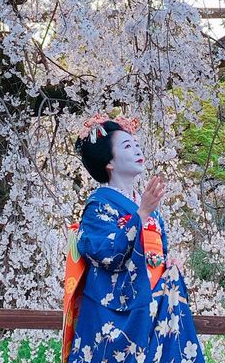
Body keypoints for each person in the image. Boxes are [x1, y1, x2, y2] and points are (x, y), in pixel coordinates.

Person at [63, 114, 205, 363]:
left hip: (155, 300)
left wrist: (167, 263)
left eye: (136, 144)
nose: (137, 149)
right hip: (118, 307)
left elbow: (156, 249)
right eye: (127, 146)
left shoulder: (145, 204)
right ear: (109, 162)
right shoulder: (99, 204)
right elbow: (105, 253)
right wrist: (140, 215)